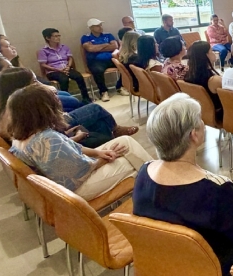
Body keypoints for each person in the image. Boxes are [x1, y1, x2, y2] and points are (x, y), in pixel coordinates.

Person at [132, 93, 233, 276]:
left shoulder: (144, 173)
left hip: (170, 259)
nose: (203, 123)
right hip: (216, 268)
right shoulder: (216, 190)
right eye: (200, 120)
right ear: (194, 135)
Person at [8, 84, 151, 200]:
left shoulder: (20, 136)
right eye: (54, 99)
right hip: (77, 190)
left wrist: (98, 153)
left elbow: (71, 147)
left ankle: (154, 182)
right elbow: (79, 173)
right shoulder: (47, 140)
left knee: (125, 142)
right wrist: (104, 159)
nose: (58, 101)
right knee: (132, 160)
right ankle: (156, 184)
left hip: (66, 181)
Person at [0, 67, 138, 146]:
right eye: (34, 82)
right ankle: (114, 132)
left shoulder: (3, 106)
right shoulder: (15, 110)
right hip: (52, 132)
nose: (38, 84)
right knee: (95, 109)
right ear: (21, 87)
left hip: (50, 130)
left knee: (99, 122)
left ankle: (109, 141)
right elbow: (45, 137)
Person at [37, 28, 92, 104]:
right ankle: (66, 101)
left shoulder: (64, 47)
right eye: (55, 36)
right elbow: (43, 64)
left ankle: (86, 98)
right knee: (64, 79)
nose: (58, 38)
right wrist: (57, 69)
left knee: (78, 76)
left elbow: (70, 58)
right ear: (48, 38)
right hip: (53, 71)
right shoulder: (43, 51)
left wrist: (68, 66)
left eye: (59, 35)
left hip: (66, 68)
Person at [81, 18, 126, 102]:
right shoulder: (86, 37)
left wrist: (96, 47)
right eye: (97, 26)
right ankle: (103, 92)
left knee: (126, 64)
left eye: (100, 25)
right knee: (97, 70)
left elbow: (115, 46)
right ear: (91, 28)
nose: (100, 27)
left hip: (111, 58)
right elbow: (90, 49)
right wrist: (106, 44)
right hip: (96, 61)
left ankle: (120, 86)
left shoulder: (108, 35)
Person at [184, 41, 223, 120]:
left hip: (201, 112)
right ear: (205, 55)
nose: (214, 53)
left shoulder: (188, 74)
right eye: (211, 51)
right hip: (218, 114)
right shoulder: (213, 80)